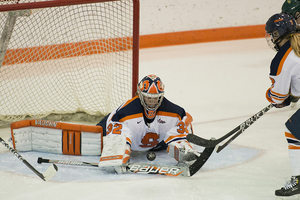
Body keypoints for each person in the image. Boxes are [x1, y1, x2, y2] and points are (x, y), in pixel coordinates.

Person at [97, 74, 198, 173]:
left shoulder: (174, 112)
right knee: (118, 138)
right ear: (140, 95)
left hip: (160, 145)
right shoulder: (126, 111)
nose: (152, 102)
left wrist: (183, 144)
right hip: (133, 144)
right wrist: (117, 152)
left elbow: (184, 122)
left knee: (179, 138)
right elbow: (113, 123)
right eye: (148, 97)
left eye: (155, 98)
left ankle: (185, 153)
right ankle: (117, 155)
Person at [265, 13, 300, 197]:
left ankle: (298, 179)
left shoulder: (282, 59)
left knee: (293, 130)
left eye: (273, 34)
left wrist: (272, 96)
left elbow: (278, 97)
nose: (271, 38)